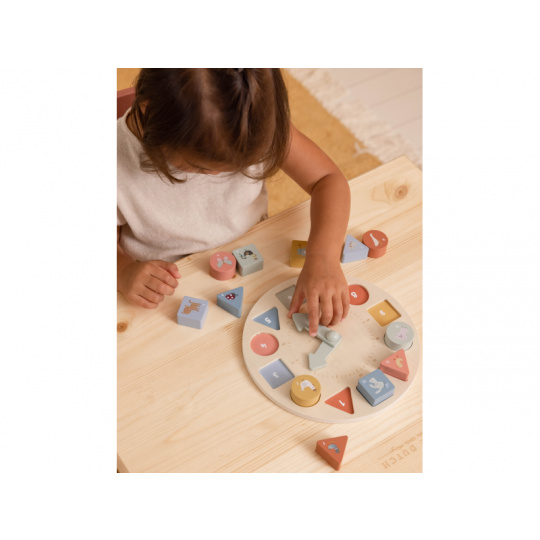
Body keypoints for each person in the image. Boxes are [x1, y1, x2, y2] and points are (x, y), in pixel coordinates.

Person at [117, 68, 351, 336]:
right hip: (168, 291)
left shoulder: (253, 121)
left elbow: (327, 179)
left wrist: (323, 257)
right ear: (148, 112)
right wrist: (123, 271)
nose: (219, 177)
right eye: (202, 168)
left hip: (256, 256)